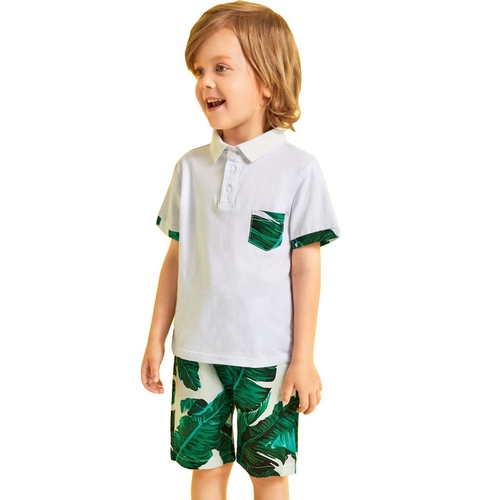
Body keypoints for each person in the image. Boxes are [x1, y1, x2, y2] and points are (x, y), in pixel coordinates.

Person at [141, 2, 340, 499]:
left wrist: (304, 358)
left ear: (267, 81)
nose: (205, 82)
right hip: (195, 353)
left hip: (268, 359)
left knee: (268, 474)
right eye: (199, 71)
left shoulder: (299, 170)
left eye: (221, 68)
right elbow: (176, 260)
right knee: (206, 470)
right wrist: (156, 339)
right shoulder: (190, 168)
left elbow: (306, 269)